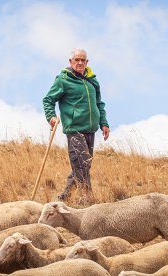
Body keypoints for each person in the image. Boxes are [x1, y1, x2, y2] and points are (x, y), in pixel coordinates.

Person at [43, 48, 110, 201]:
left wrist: (104, 123)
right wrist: (51, 116)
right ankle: (87, 198)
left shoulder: (92, 80)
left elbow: (99, 103)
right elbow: (48, 100)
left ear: (87, 62)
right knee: (82, 164)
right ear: (70, 62)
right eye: (76, 60)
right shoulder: (63, 79)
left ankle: (64, 197)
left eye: (83, 60)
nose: (80, 62)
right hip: (74, 129)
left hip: (91, 130)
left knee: (82, 165)